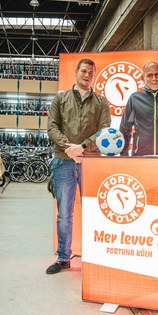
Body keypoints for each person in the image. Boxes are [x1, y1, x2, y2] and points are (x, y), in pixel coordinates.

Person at [46, 58, 110, 274]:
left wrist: (82, 147)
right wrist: (69, 149)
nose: (87, 75)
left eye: (91, 73)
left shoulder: (101, 102)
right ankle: (64, 258)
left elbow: (104, 130)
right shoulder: (60, 98)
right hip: (63, 160)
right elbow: (52, 128)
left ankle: (95, 258)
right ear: (76, 72)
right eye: (84, 71)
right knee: (64, 213)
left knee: (94, 211)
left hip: (91, 161)